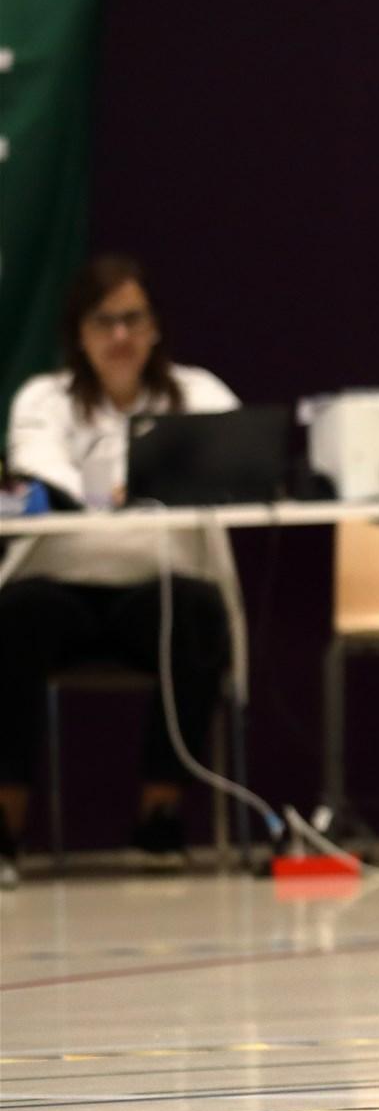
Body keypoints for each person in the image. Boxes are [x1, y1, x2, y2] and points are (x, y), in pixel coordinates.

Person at [0, 256, 246, 868]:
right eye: (103, 321)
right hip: (62, 589)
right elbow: (39, 467)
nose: (119, 336)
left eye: (133, 319)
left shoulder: (198, 393)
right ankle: (4, 822)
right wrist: (108, 493)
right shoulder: (44, 399)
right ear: (79, 334)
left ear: (154, 327)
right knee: (15, 614)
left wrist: (140, 488)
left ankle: (159, 817)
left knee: (196, 611)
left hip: (153, 593)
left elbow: (238, 456)